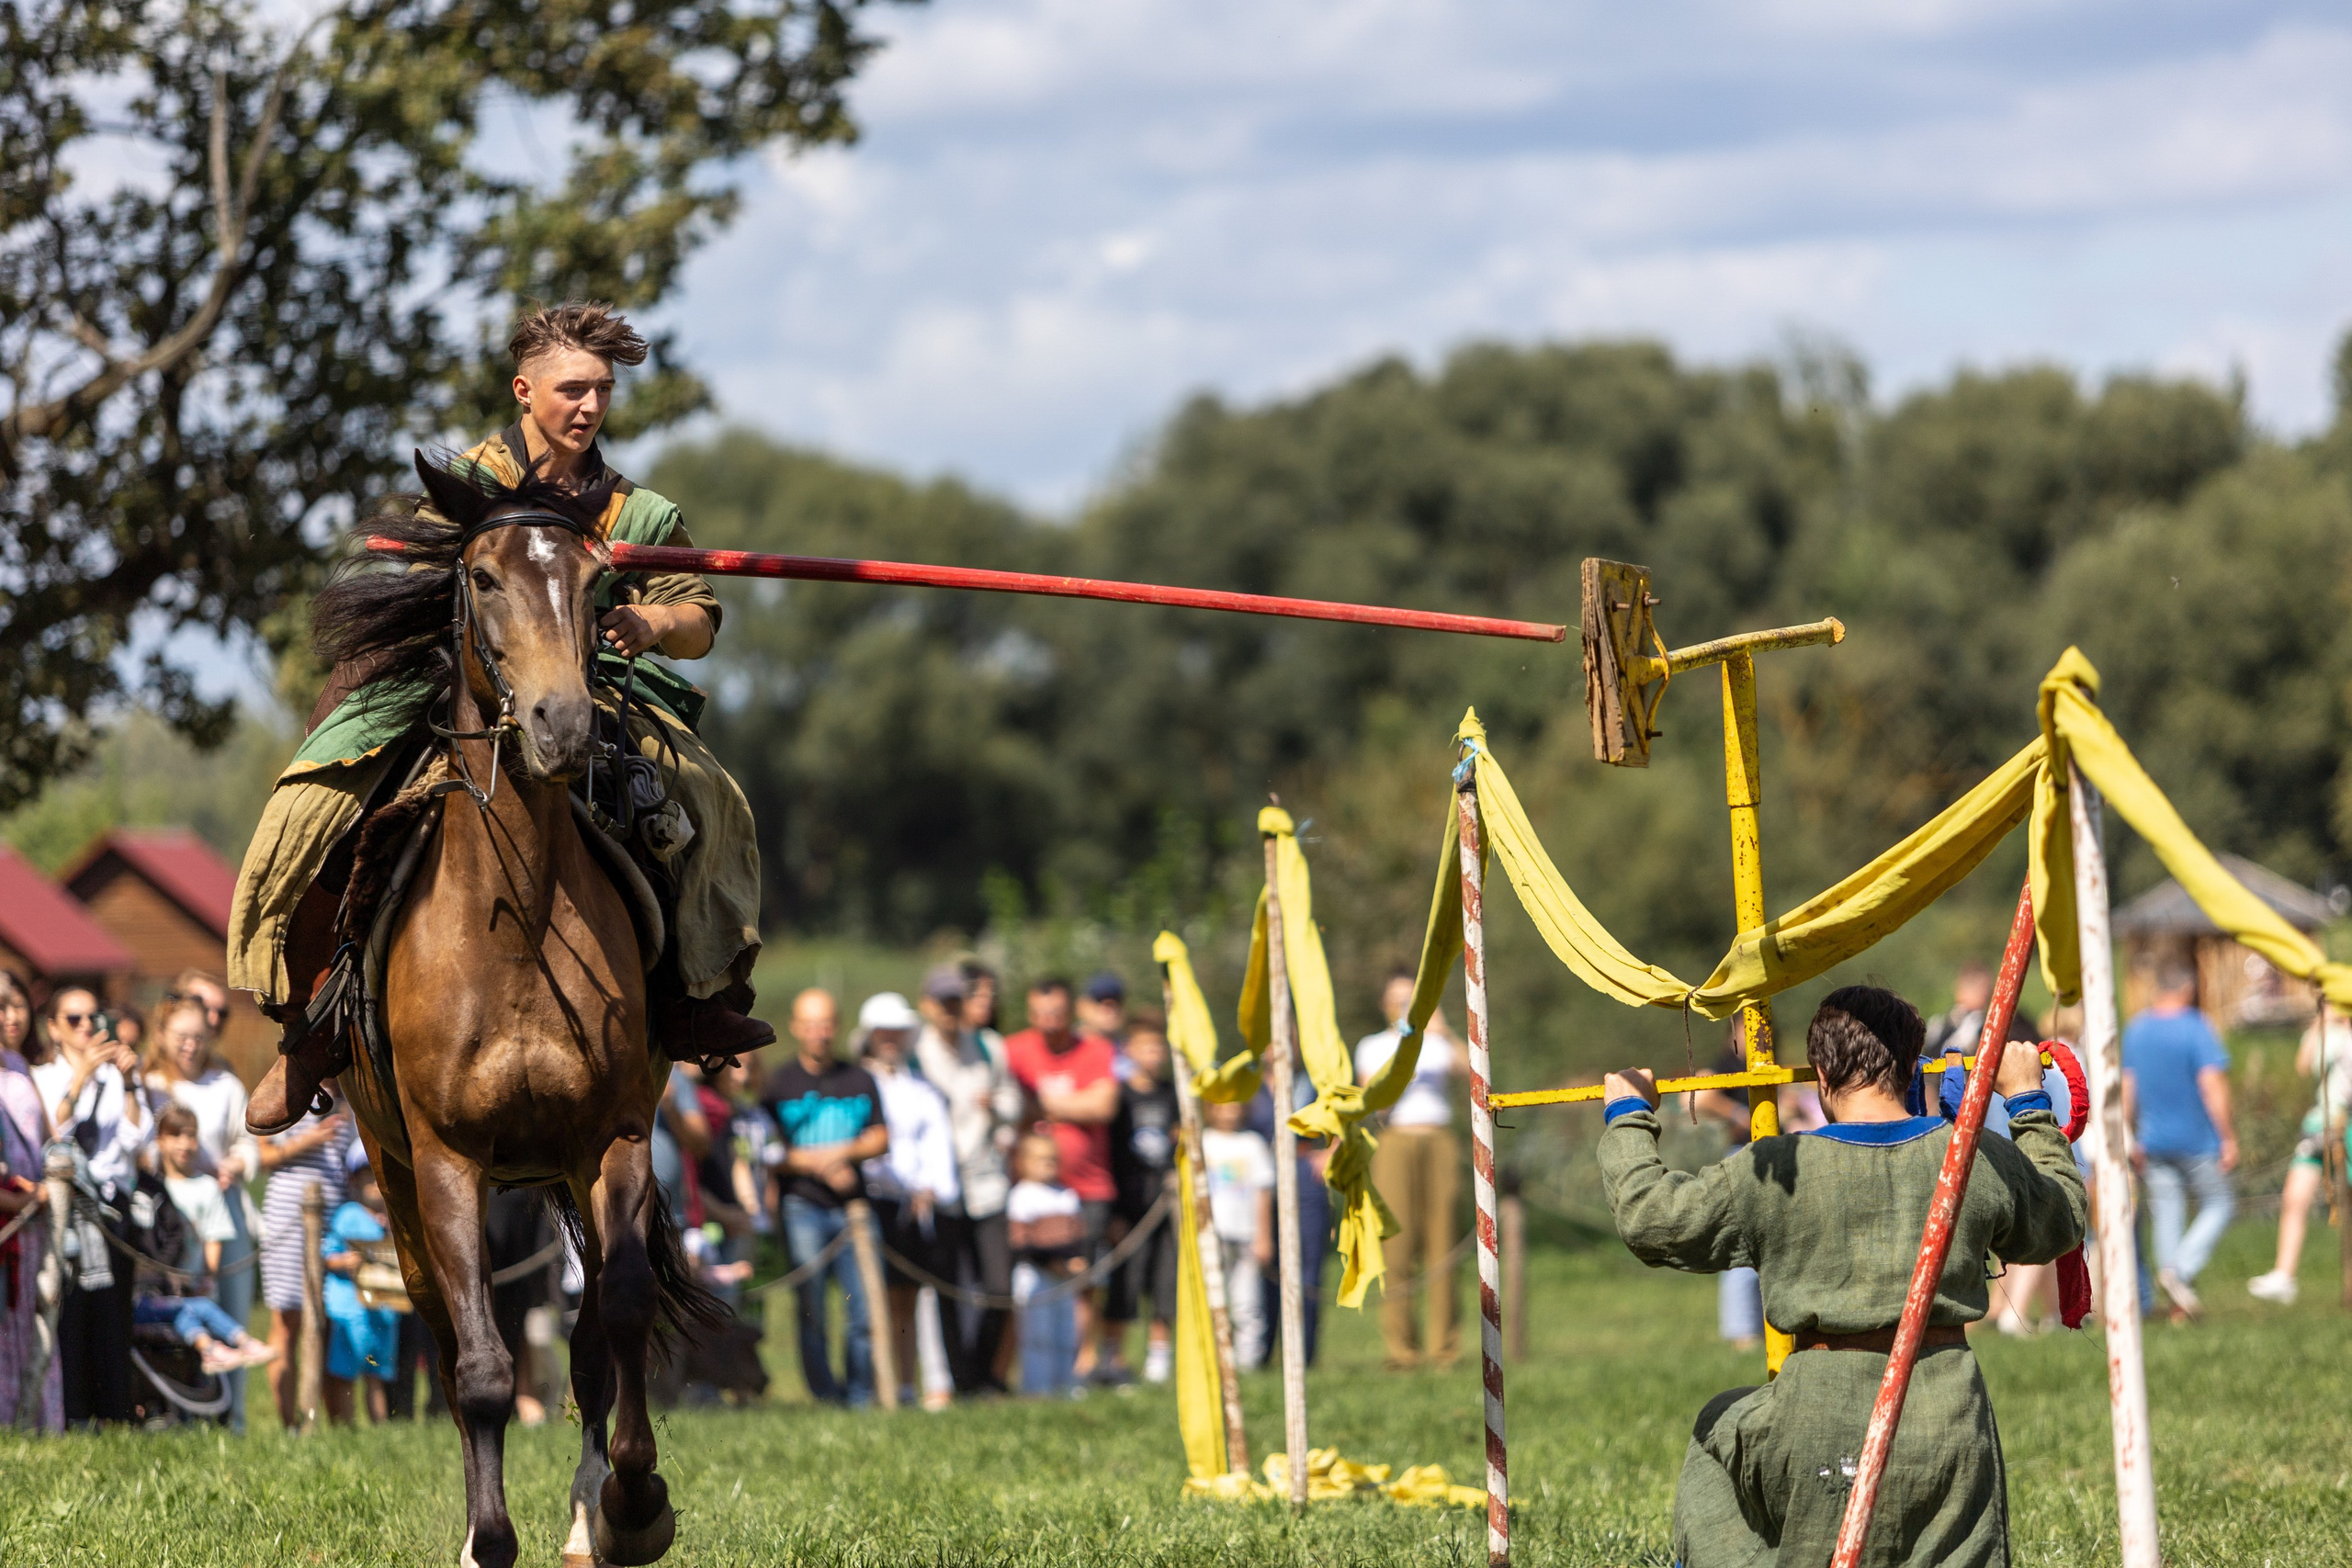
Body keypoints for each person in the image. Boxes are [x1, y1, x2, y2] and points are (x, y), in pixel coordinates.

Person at [230, 299, 773, 1135]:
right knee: (315, 803)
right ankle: (314, 1027)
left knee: (709, 799)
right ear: (525, 390)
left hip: (595, 693)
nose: (589, 407)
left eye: (602, 390)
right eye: (571, 390)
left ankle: (692, 998)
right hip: (456, 690)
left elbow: (696, 612)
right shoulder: (465, 486)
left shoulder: (641, 515)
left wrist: (652, 624)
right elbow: (407, 581)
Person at [1601, 985, 2086, 1568]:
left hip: (1814, 1425)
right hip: (1953, 1425)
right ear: (1912, 1068)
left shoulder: (1775, 1169)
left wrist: (1628, 1115)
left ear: (1822, 1076)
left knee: (1719, 1429)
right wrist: (2028, 1100)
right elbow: (2063, 1218)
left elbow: (1651, 1219)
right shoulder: (1970, 1156)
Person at [29, 987, 151, 1423]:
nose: (86, 1027)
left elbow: (137, 1139)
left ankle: (114, 1415)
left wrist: (133, 1081)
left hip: (110, 1211)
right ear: (53, 1028)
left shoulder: (115, 1076)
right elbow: (52, 1136)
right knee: (69, 1315)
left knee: (113, 1316)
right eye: (74, 1019)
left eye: (92, 1018)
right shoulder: (40, 1077)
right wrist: (79, 1079)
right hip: (64, 1212)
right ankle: (71, 1413)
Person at [141, 992, 263, 1427]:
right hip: (168, 1218)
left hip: (223, 1212)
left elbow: (250, 1142)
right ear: (162, 1035)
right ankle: (185, 1412)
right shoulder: (150, 1084)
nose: (190, 1045)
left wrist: (236, 1163)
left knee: (230, 1314)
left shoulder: (226, 1085)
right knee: (177, 1315)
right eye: (181, 1036)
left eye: (198, 1036)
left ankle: (236, 1418)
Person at [763, 987, 888, 1407]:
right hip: (802, 1207)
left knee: (863, 1309)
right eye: (810, 1024)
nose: (819, 1033)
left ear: (836, 1027)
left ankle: (860, 1396)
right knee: (811, 1309)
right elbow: (766, 1151)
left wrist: (840, 1155)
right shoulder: (779, 1084)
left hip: (854, 1209)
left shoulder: (859, 1077)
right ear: (796, 1028)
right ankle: (825, 1395)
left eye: (826, 1024)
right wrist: (818, 1164)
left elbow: (881, 1137)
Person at [1003, 977, 1122, 1382]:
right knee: (1028, 1282)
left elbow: (1103, 1105)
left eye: (1057, 1013)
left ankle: (1080, 1365)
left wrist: (1042, 1103)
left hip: (1087, 1187)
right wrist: (1075, 1105)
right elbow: (1008, 1103)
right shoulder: (1015, 1049)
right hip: (1030, 1193)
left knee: (1083, 1279)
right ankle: (1017, 1371)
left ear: (1071, 1010)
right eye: (1041, 1014)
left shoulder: (1097, 1049)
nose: (1049, 1022)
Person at [1352, 968, 1467, 1370]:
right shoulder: (1372, 1046)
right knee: (1396, 1246)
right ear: (1384, 1004)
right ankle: (1401, 1351)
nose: (1404, 1004)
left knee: (1443, 1244)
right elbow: (1374, 1100)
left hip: (1438, 1138)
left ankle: (1444, 1349)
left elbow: (1473, 1073)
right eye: (1397, 998)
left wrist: (1445, 1031)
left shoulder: (1439, 1042)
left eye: (1411, 998)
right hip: (1395, 1141)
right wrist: (1405, 1056)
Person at [914, 963, 1021, 1395]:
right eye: (943, 1002)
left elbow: (1014, 1100)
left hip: (987, 1183)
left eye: (956, 1001)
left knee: (999, 1287)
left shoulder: (989, 1045)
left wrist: (995, 1105)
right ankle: (962, 1381)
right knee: (949, 1290)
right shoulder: (915, 1053)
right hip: (940, 1188)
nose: (950, 1010)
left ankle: (980, 1372)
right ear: (927, 1005)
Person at [856, 991, 960, 1410]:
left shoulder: (921, 1089)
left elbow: (938, 1148)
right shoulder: (858, 1083)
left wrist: (934, 1187)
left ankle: (912, 1383)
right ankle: (881, 1386)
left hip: (916, 1207)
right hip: (874, 1201)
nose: (890, 1039)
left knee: (913, 1299)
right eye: (883, 1032)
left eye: (897, 1032)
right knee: (876, 1300)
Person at [2121, 961, 2237, 1320]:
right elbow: (2211, 1084)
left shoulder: (2136, 1030)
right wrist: (2228, 1136)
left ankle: (2175, 1304)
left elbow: (2127, 1089)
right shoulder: (2196, 1027)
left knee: (2167, 1213)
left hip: (2151, 1141)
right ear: (2187, 989)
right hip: (2197, 1140)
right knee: (2220, 1202)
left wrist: (2129, 1136)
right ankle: (2180, 1271)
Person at [141, 1104, 277, 1376]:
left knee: (195, 1312)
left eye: (190, 1136)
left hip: (193, 1282)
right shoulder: (150, 1189)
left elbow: (214, 1237)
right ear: (160, 1141)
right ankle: (230, 1345)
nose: (185, 1144)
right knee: (191, 1314)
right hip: (154, 1288)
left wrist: (208, 1276)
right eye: (175, 1135)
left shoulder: (206, 1186)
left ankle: (231, 1348)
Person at [258, 1098, 354, 1426]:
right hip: (290, 1217)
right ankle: (290, 1424)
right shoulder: (287, 1096)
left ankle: (333, 1422)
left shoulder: (350, 1099)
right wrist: (308, 1140)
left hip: (334, 1221)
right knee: (288, 1320)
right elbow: (264, 1156)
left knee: (331, 1322)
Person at [2249, 1006, 2351, 1305]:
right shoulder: (2329, 1033)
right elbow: (2304, 1065)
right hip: (2322, 1123)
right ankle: (2284, 1274)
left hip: (2347, 1125)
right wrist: (2321, 1021)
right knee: (2295, 1197)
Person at [0, 967, 62, 1430]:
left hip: (34, 1211)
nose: (12, 1016)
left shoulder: (20, 1066)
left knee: (34, 1314)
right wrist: (24, 1198)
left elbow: (48, 1135)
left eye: (19, 1004)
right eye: (2, 1006)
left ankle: (35, 1420)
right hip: (11, 1213)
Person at [1108, 1009, 1181, 1384]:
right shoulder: (1118, 1097)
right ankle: (1114, 1357)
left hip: (1166, 1205)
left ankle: (1159, 1360)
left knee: (1165, 1282)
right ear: (1128, 1050)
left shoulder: (1172, 1093)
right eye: (1146, 1046)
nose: (1154, 1053)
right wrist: (1116, 1212)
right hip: (1129, 1206)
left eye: (1159, 1046)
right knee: (1125, 1284)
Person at [1005, 1132, 1086, 1398]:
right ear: (1022, 1162)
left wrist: (1074, 1261)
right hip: (1035, 1275)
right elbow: (1021, 1243)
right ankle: (1037, 1390)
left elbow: (1077, 1235)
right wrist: (1053, 1263)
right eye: (1040, 1159)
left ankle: (1065, 1386)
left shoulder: (1065, 1194)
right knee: (1037, 1336)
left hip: (1064, 1279)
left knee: (1065, 1333)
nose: (1048, 1165)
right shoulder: (1021, 1196)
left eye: (1052, 1159)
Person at [321, 1156, 400, 1422]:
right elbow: (327, 1254)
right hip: (350, 1311)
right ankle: (346, 1426)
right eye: (369, 1174)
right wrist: (345, 1261)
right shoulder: (348, 1215)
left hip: (383, 1312)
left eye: (380, 1173)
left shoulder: (394, 1218)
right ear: (355, 1180)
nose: (376, 1181)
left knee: (376, 1375)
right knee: (346, 1374)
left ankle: (380, 1428)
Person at [1200, 1096, 1273, 1370]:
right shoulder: (1201, 1141)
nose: (1229, 1113)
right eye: (1222, 1106)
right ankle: (1211, 1361)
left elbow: (1262, 1191)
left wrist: (1264, 1236)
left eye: (1235, 1106)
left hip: (1246, 1234)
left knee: (1247, 1303)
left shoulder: (1252, 1143)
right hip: (1211, 1235)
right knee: (1211, 1301)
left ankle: (1248, 1361)